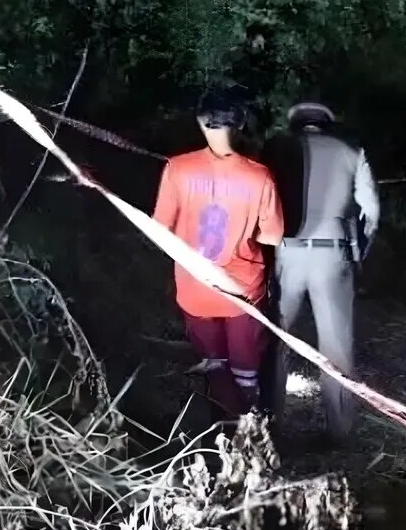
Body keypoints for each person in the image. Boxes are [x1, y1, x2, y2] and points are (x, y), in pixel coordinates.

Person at [152, 89, 285, 419]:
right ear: (239, 123)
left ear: (200, 121)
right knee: (246, 368)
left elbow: (159, 229)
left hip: (195, 290)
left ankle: (222, 431)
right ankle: (251, 431)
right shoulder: (260, 175)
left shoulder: (177, 168)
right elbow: (272, 235)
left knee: (215, 365)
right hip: (242, 291)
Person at [260, 102, 380, 442]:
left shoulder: (277, 149)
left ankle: (269, 424)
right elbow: (371, 215)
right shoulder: (351, 152)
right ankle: (340, 430)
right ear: (326, 125)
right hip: (332, 255)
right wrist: (357, 254)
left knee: (276, 339)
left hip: (287, 251)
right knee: (337, 345)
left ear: (297, 125)